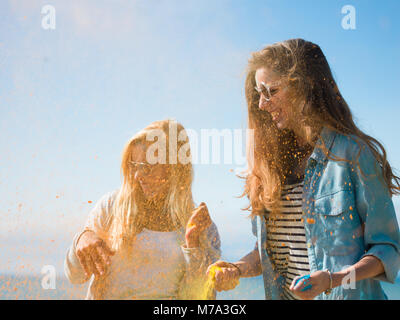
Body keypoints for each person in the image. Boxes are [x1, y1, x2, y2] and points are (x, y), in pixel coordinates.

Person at [208, 39, 400, 300]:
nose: (262, 104)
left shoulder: (352, 155)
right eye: (258, 93)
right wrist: (236, 269)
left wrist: (333, 279)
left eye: (271, 91)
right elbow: (268, 254)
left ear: (305, 86)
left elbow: (387, 249)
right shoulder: (271, 166)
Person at [64, 119, 220, 299]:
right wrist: (81, 240)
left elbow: (200, 301)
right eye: (133, 166)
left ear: (174, 169)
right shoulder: (111, 207)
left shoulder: (201, 226)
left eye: (147, 168)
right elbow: (75, 276)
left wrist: (193, 246)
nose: (137, 176)